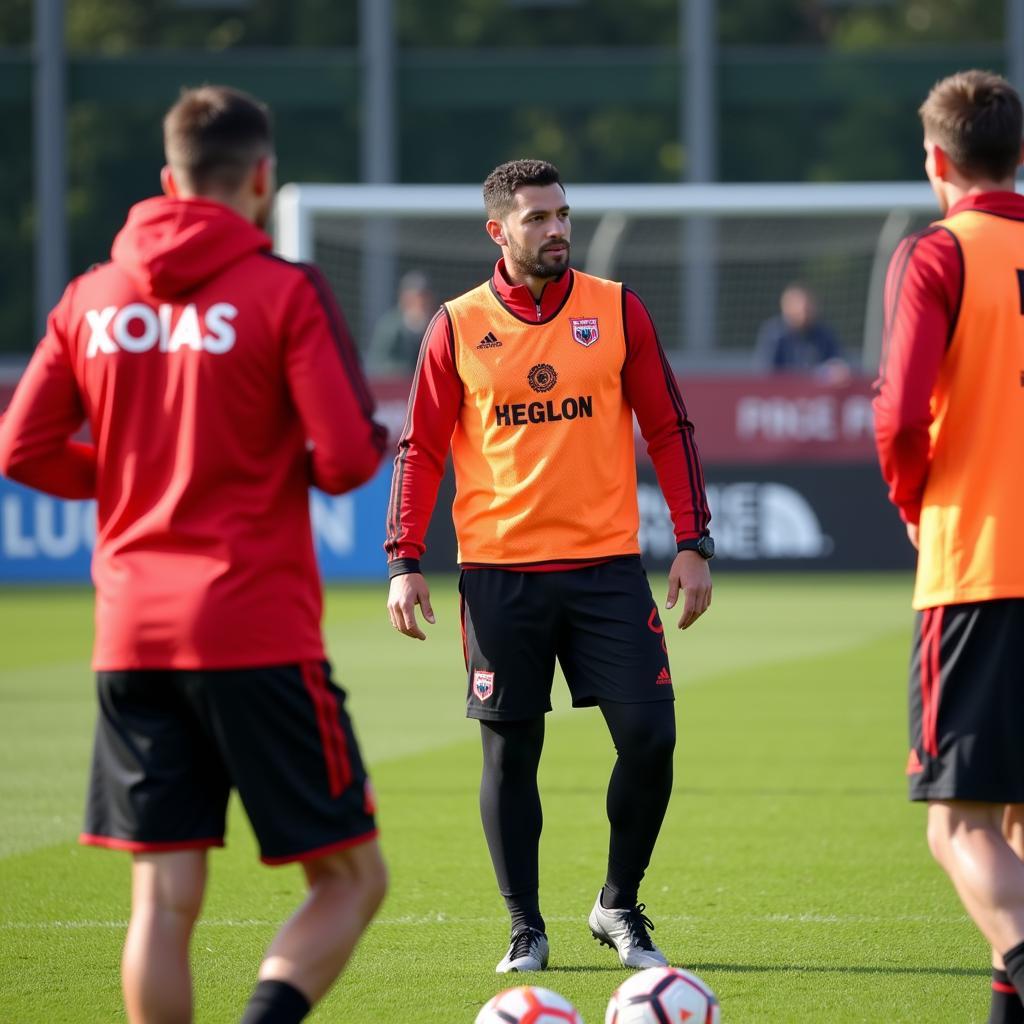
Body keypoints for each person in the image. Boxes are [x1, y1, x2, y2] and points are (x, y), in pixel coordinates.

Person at [0, 85, 388, 1024]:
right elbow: (342, 461)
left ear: (166, 180)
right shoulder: (283, 290)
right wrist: (243, 467)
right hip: (252, 625)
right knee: (350, 880)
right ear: (263, 178)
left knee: (162, 904)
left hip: (129, 636)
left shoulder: (90, 296)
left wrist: (138, 475)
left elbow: (20, 449)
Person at [384, 158, 713, 974]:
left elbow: (669, 427)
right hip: (500, 575)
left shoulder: (617, 307)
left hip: (606, 568)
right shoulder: (457, 324)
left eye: (562, 214)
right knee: (510, 753)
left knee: (650, 737)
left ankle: (617, 905)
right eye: (538, 218)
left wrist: (693, 542)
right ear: (499, 231)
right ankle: (525, 928)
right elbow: (420, 447)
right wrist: (404, 559)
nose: (557, 228)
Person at [873, 69, 1024, 1024]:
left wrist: (915, 510)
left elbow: (897, 416)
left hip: (980, 564)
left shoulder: (938, 255)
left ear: (935, 160)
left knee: (960, 826)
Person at [755, 282, 849, 382]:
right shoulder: (775, 334)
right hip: (782, 393)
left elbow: (838, 363)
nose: (804, 315)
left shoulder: (825, 333)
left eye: (808, 309)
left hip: (818, 394)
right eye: (800, 309)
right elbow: (766, 371)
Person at [365, 270, 436, 374]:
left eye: (425, 297)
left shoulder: (433, 326)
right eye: (417, 297)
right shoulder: (390, 326)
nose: (421, 302)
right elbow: (378, 363)